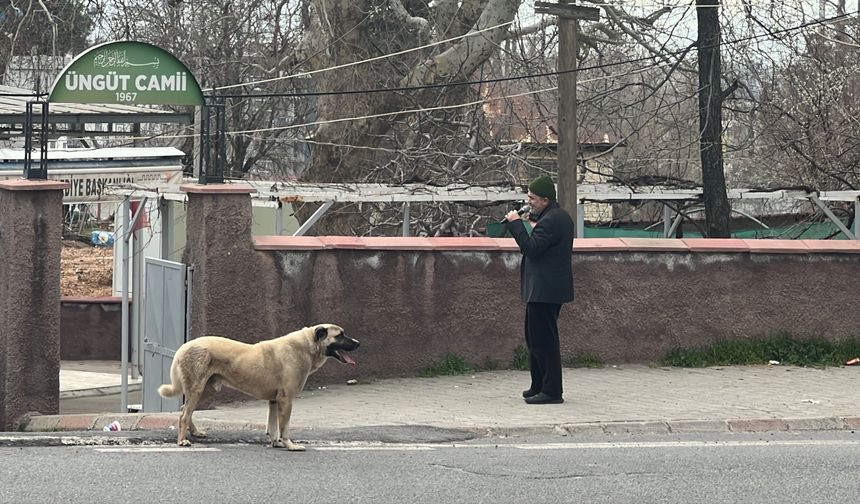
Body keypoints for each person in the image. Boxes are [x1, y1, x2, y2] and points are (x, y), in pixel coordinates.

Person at [503, 175, 574, 404]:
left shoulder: (554, 220)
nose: (529, 202)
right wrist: (531, 223)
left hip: (546, 290)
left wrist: (516, 223)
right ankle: (538, 384)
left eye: (533, 198)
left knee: (545, 341)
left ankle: (552, 391)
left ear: (545, 199)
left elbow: (531, 248)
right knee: (534, 338)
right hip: (542, 290)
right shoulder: (552, 217)